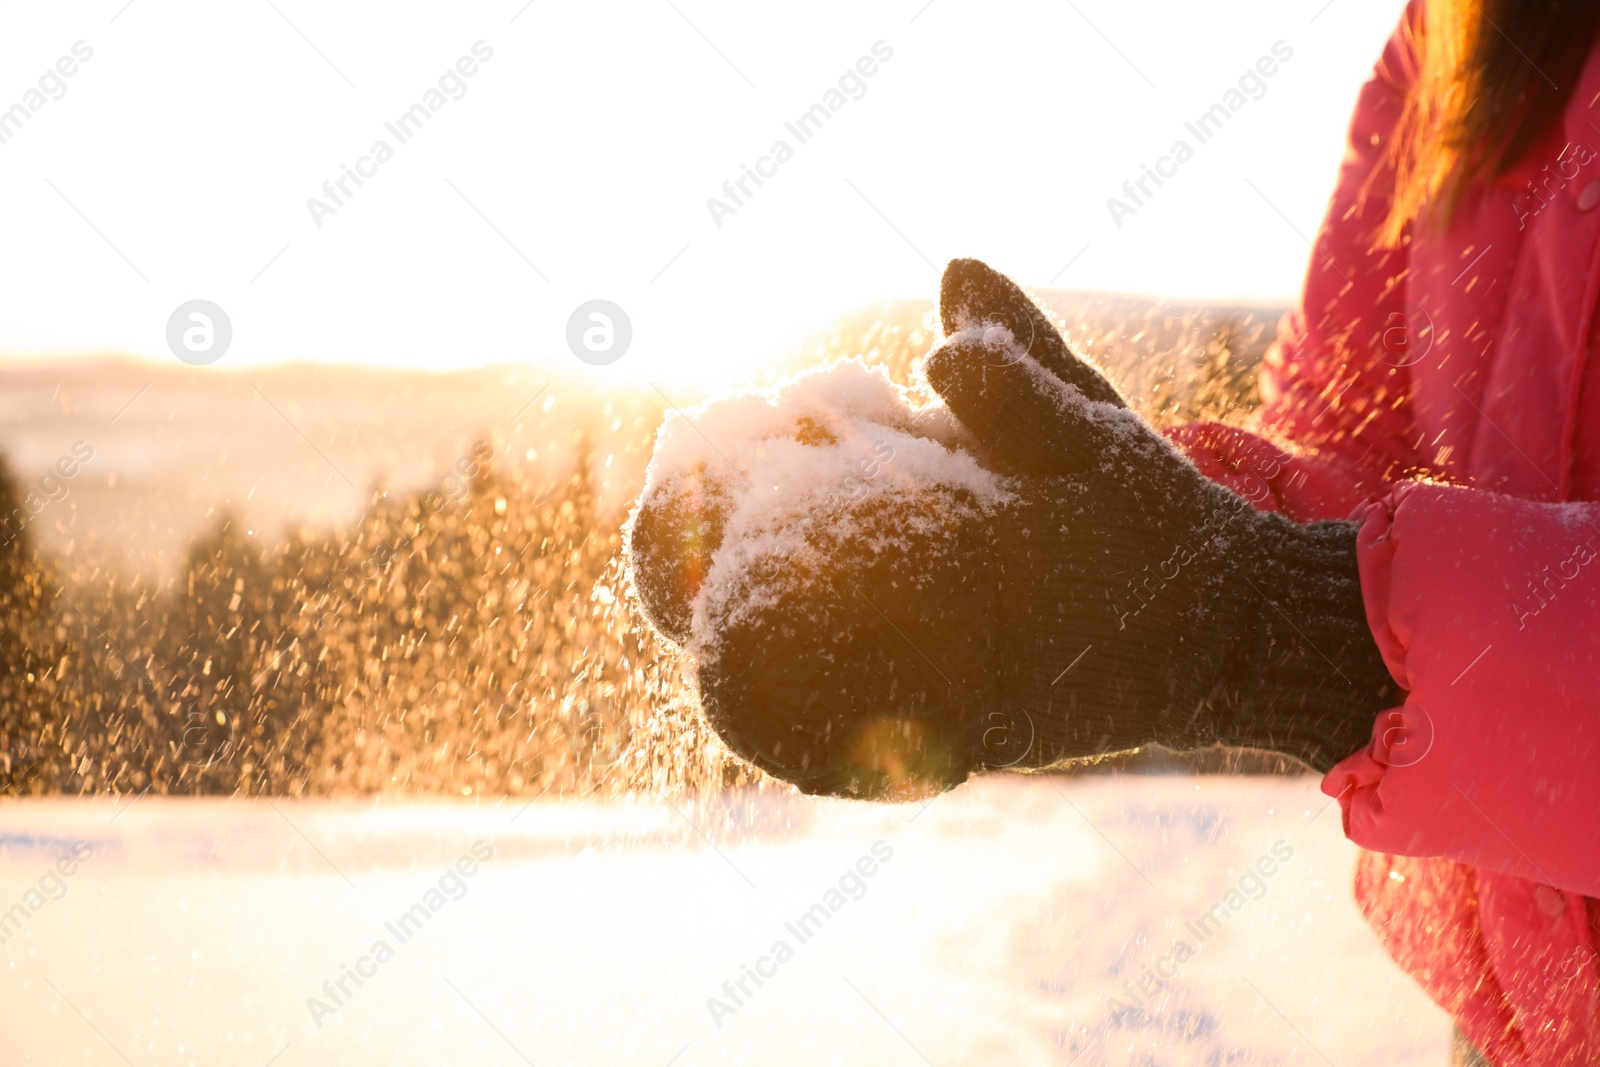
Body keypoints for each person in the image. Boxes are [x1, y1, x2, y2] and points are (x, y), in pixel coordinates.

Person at [628, 1, 1600, 1062]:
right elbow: (1347, 432)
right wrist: (1137, 524)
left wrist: (1292, 631)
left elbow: (1306, 599)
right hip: (1516, 1015)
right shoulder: (1465, 29)